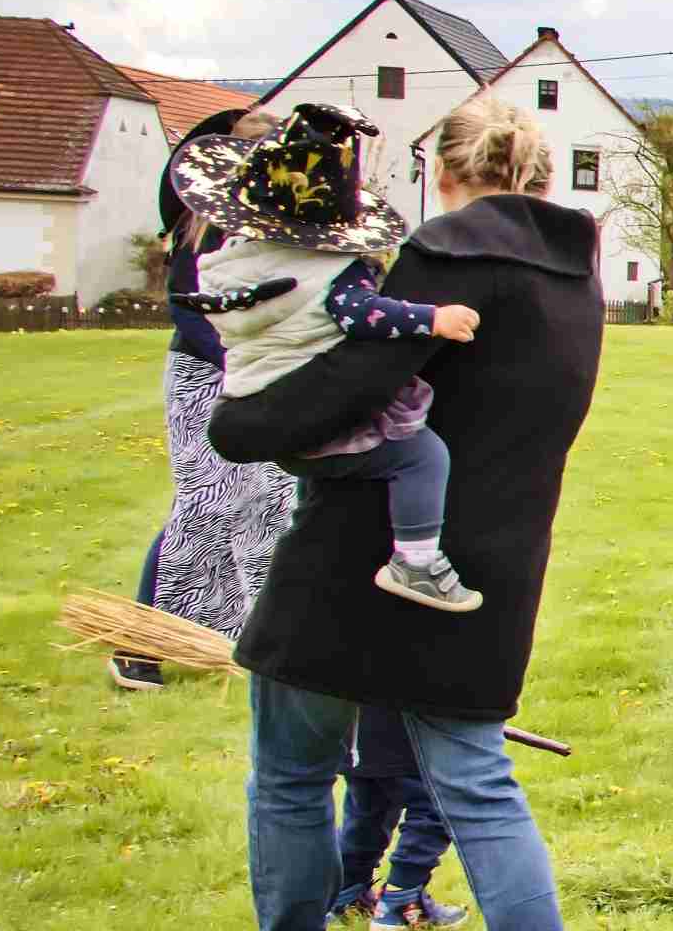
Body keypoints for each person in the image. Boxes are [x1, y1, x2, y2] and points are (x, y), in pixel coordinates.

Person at [201, 92, 600, 931]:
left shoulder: (442, 259)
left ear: (449, 176)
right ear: (538, 177)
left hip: (356, 547)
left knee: (294, 774)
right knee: (476, 782)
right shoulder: (577, 279)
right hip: (490, 567)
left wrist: (241, 421)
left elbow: (352, 388)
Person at [170, 104, 486, 615]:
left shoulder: (234, 266)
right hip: (322, 422)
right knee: (421, 455)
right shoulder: (327, 274)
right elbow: (362, 314)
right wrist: (433, 319)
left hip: (257, 407)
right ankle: (417, 560)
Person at [113, 107, 295, 688]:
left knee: (268, 504)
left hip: (261, 373)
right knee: (204, 504)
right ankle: (138, 643)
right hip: (204, 373)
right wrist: (238, 361)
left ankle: (252, 638)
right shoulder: (203, 223)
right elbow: (188, 312)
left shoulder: (274, 218)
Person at [332, 705, 463, 931]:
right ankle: (403, 898)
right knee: (436, 802)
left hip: (357, 721)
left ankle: (348, 892)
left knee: (369, 804)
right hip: (402, 717)